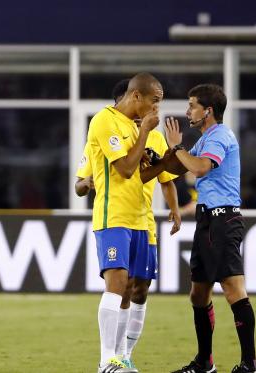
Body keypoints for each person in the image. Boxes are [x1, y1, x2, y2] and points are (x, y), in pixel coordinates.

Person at [76, 78, 181, 372]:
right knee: (117, 284)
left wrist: (165, 162)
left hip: (140, 220)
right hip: (113, 216)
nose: (156, 108)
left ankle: (122, 356)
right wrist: (145, 132)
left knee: (136, 287)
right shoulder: (104, 121)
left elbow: (140, 176)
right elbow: (123, 169)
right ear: (136, 96)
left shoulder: (137, 129)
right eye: (154, 101)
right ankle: (106, 359)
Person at [166, 84, 256, 373]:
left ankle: (250, 364)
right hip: (208, 220)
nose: (187, 111)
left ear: (207, 110)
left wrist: (177, 147)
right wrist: (155, 159)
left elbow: (200, 168)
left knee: (234, 289)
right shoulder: (207, 138)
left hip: (223, 220)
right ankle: (205, 363)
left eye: (192, 105)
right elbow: (179, 167)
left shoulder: (219, 136)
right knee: (198, 293)